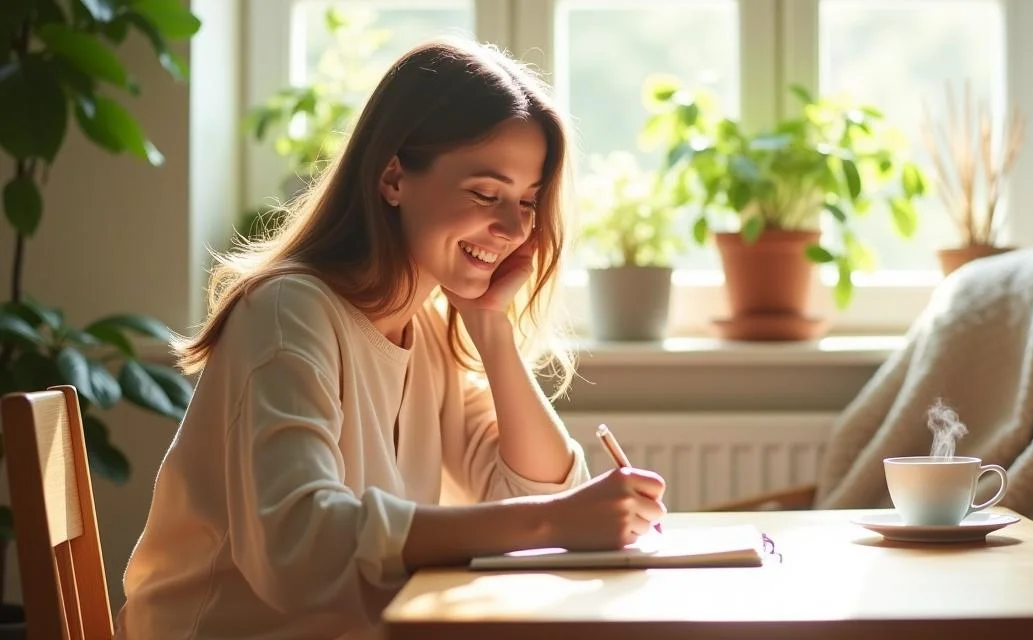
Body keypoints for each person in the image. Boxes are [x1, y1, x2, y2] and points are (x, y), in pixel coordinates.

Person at [114, 38, 667, 639]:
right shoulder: (288, 310)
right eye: (486, 193)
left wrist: (491, 329)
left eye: (528, 202)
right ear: (393, 176)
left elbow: (534, 487)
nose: (512, 228)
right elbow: (300, 547)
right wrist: (550, 523)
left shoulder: (426, 324)